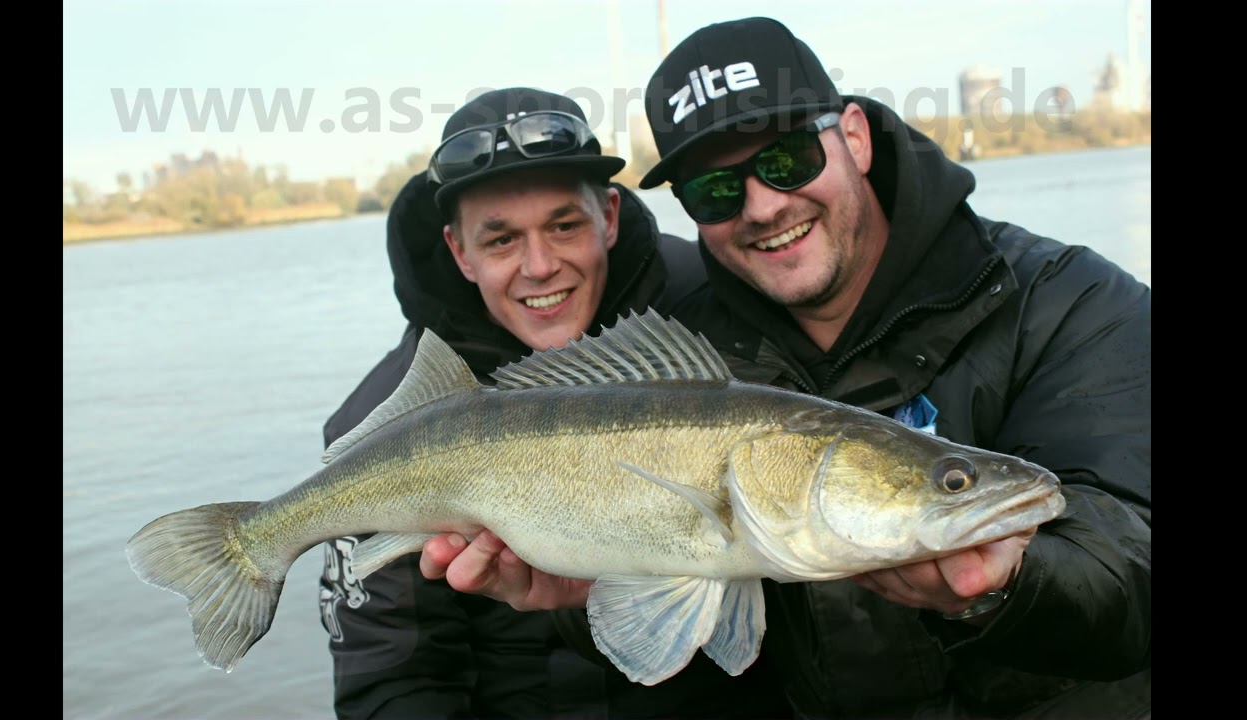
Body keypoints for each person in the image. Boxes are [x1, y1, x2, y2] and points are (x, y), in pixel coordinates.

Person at [418, 18, 1151, 719]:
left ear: (855, 137)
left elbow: (1133, 560)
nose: (763, 205)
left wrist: (1005, 586)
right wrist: (598, 587)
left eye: (787, 158)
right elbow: (718, 660)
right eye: (715, 190)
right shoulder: (696, 357)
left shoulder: (1070, 302)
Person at [316, 86, 786, 719]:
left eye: (564, 226)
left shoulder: (718, 316)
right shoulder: (388, 419)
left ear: (610, 217)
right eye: (502, 240)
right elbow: (394, 673)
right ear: (460, 251)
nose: (539, 267)